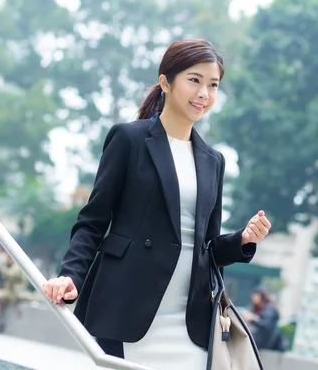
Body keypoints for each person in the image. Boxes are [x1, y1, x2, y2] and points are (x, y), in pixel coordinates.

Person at [42, 38, 272, 369]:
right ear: (166, 82)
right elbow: (92, 222)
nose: (204, 94)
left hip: (187, 318)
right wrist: (70, 276)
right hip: (127, 305)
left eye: (213, 85)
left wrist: (243, 240)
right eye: (194, 80)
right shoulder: (129, 139)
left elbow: (205, 248)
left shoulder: (213, 161)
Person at [242, 285, 286, 352]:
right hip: (262, 339)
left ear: (262, 296)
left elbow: (266, 325)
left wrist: (252, 319)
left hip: (265, 340)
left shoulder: (269, 308)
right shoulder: (262, 308)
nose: (254, 298)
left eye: (256, 295)